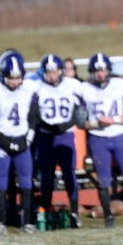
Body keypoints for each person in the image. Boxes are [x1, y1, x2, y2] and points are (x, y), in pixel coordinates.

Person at [77, 52, 123, 229]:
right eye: (97, 71)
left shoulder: (120, 86)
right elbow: (80, 121)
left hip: (119, 136)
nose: (100, 74)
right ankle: (108, 217)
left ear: (109, 71)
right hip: (98, 138)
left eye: (103, 70)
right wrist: (97, 123)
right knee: (103, 179)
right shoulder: (85, 89)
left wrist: (112, 120)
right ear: (91, 72)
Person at [0, 51, 38, 235]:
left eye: (17, 77)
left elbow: (33, 116)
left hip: (22, 140)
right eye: (11, 78)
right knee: (1, 183)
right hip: (2, 142)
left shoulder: (29, 88)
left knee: (26, 182)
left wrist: (28, 139)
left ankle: (26, 222)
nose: (14, 81)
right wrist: (3, 141)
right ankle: (2, 223)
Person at [34, 54, 82, 228]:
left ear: (61, 71)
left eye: (54, 71)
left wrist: (66, 125)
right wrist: (47, 125)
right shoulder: (37, 87)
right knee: (47, 176)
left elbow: (79, 109)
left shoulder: (71, 85)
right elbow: (33, 111)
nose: (52, 75)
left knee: (69, 174)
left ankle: (74, 213)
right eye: (49, 72)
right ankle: (45, 210)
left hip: (66, 135)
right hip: (46, 136)